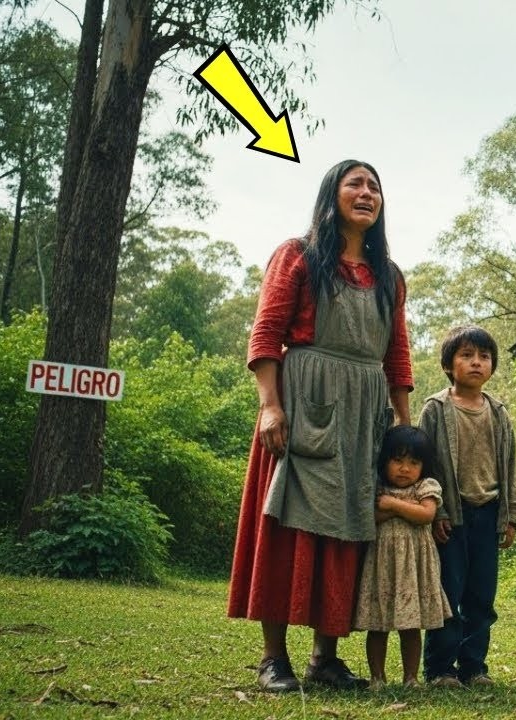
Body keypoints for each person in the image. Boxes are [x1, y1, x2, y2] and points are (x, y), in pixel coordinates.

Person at [227, 159, 413, 692]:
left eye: (375, 185)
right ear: (331, 195)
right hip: (306, 403)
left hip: (364, 416)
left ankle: (324, 658)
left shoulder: (389, 276)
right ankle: (272, 659)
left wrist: (403, 428)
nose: (366, 192)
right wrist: (271, 405)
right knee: (290, 526)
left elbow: (396, 357)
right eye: (354, 183)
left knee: (347, 530)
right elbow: (266, 332)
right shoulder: (299, 257)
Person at [420, 325, 516, 688]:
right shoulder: (435, 409)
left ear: (492, 365)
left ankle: (474, 667)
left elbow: (510, 467)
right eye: (466, 356)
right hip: (452, 516)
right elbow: (424, 465)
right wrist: (437, 512)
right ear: (449, 365)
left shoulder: (498, 411)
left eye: (483, 357)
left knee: (481, 596)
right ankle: (440, 670)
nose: (476, 363)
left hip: (489, 513)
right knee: (448, 592)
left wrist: (511, 517)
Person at [354, 425, 451, 690]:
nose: (404, 468)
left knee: (411, 625)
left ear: (423, 466)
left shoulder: (426, 486)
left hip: (414, 566)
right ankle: (377, 678)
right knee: (378, 624)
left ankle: (411, 678)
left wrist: (393, 506)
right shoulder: (377, 488)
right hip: (382, 565)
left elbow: (427, 515)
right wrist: (406, 509)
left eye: (413, 462)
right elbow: (372, 517)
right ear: (385, 461)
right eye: (397, 460)